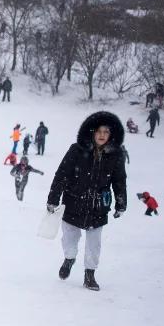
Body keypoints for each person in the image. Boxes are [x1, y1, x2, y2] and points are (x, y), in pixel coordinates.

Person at [46, 112, 128, 292]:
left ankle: (89, 274)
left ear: (111, 134)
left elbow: (119, 180)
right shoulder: (76, 150)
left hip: (98, 205)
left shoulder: (116, 154)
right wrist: (53, 199)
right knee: (70, 236)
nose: (102, 135)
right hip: (74, 200)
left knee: (94, 242)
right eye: (98, 131)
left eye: (106, 132)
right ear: (91, 132)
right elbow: (61, 175)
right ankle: (69, 258)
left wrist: (121, 203)